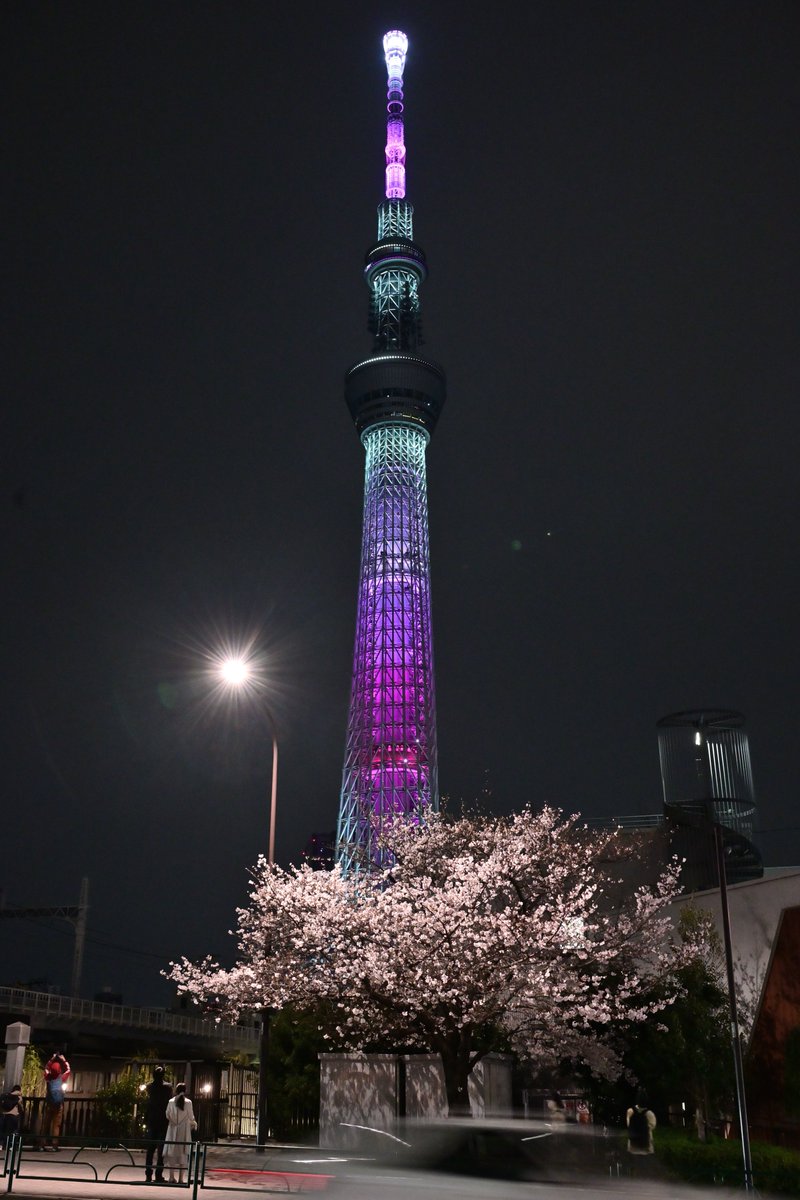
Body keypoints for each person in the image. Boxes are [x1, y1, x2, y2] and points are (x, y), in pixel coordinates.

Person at [144, 1066, 173, 1184]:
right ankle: (158, 1175)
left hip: (152, 1119)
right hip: (163, 1120)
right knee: (161, 1149)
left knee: (150, 1149)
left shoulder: (149, 1087)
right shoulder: (168, 1087)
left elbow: (148, 1103)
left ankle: (148, 1175)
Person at [163, 1083, 196, 1185]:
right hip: (184, 1131)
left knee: (172, 1153)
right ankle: (181, 1179)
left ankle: (171, 1177)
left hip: (172, 1130)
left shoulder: (171, 1101)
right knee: (183, 1154)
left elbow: (167, 1114)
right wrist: (193, 1123)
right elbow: (191, 1117)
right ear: (185, 1091)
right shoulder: (188, 1102)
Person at [38, 1052, 71, 1150]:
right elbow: (68, 1069)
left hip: (49, 1103)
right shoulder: (62, 1078)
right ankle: (54, 1145)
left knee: (45, 1124)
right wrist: (63, 1060)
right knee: (56, 1125)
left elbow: (46, 1068)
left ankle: (42, 1144)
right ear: (59, 1070)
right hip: (58, 1105)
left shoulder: (48, 1077)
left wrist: (52, 1058)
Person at [626, 1088, 656, 1155]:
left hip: (633, 1146)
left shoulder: (630, 1111)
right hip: (646, 1146)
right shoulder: (649, 1113)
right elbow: (653, 1126)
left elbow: (628, 1124)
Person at [1, 1086, 25, 1151]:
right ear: (19, 1090)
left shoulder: (6, 1095)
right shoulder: (19, 1097)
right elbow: (21, 1108)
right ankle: (10, 1146)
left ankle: (2, 1145)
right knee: (13, 1131)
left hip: (4, 1115)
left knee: (4, 1131)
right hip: (13, 1116)